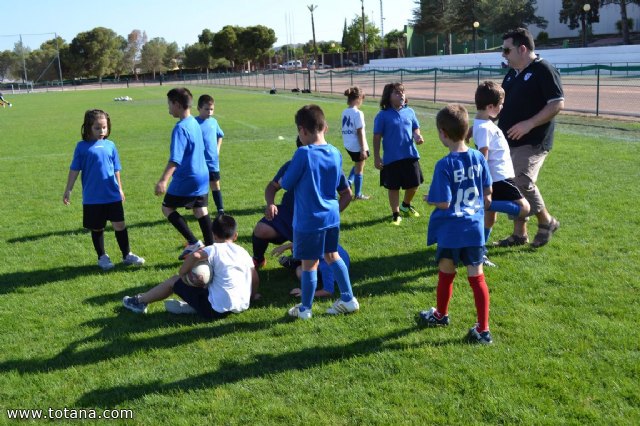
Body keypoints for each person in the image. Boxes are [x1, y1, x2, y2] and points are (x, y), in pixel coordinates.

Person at [417, 104, 494, 344]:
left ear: (443, 133)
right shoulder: (479, 157)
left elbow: (443, 202)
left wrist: (432, 199)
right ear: (466, 129)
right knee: (477, 278)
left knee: (446, 274)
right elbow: (488, 194)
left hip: (451, 230)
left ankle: (441, 315)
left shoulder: (445, 164)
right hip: (473, 230)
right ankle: (483, 329)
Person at [280, 105, 357, 319]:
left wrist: (282, 180)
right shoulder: (335, 152)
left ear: (302, 130)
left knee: (309, 264)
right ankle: (348, 298)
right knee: (332, 256)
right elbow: (341, 185)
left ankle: (304, 309)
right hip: (331, 216)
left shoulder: (303, 153)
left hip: (309, 219)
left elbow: (286, 184)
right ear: (325, 127)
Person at [497, 27, 563, 248]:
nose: (503, 55)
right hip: (509, 140)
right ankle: (519, 234)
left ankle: (546, 221)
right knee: (511, 185)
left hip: (534, 140)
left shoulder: (544, 69)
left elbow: (556, 103)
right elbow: (502, 108)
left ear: (522, 48)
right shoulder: (512, 74)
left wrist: (529, 124)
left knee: (521, 179)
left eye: (507, 50)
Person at [123, 214, 258, 319]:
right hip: (241, 305)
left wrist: (182, 273)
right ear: (235, 236)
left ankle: (138, 302)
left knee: (174, 281)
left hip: (215, 311)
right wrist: (251, 296)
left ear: (213, 235)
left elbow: (196, 256)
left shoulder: (214, 249)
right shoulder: (243, 252)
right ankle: (193, 306)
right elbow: (255, 277)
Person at [63, 109, 145, 270]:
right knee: (97, 227)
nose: (102, 131)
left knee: (120, 225)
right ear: (88, 128)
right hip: (93, 197)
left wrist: (120, 188)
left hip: (112, 194)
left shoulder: (110, 145)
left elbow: (116, 169)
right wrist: (68, 190)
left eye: (104, 127)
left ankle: (127, 254)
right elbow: (74, 169)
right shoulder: (81, 147)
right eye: (97, 128)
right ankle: (102, 257)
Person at [472, 81, 531, 267]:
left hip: (498, 177)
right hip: (499, 178)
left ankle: (478, 251)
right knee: (524, 209)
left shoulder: (482, 123)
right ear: (490, 107)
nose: (501, 109)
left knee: (491, 218)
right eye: (500, 106)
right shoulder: (483, 127)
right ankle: (484, 204)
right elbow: (483, 156)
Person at [155, 88, 213, 260]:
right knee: (200, 209)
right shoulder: (194, 122)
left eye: (169, 104)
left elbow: (175, 159)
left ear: (177, 105)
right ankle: (212, 248)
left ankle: (193, 242)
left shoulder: (180, 128)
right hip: (202, 174)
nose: (168, 108)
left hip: (188, 177)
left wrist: (163, 181)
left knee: (167, 207)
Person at [373, 82, 425, 226]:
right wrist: (377, 157)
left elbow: (415, 128)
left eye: (402, 92)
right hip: (391, 158)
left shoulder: (410, 112)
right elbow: (377, 137)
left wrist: (417, 136)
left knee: (414, 184)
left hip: (410, 155)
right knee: (393, 187)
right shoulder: (382, 115)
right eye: (397, 92)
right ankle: (396, 214)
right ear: (388, 97)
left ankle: (406, 205)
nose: (401, 94)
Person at [195, 94, 225, 216]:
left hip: (212, 160)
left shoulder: (214, 122)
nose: (210, 112)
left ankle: (220, 210)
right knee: (200, 186)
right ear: (198, 108)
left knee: (215, 184)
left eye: (212, 109)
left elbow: (220, 135)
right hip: (199, 162)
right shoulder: (194, 123)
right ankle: (201, 209)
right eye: (206, 109)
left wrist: (217, 149)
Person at [341, 86, 370, 200]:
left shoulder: (344, 112)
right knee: (360, 169)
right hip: (357, 145)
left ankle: (349, 181)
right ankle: (357, 194)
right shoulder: (358, 113)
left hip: (348, 145)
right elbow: (360, 131)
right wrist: (363, 148)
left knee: (358, 164)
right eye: (362, 98)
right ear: (358, 98)